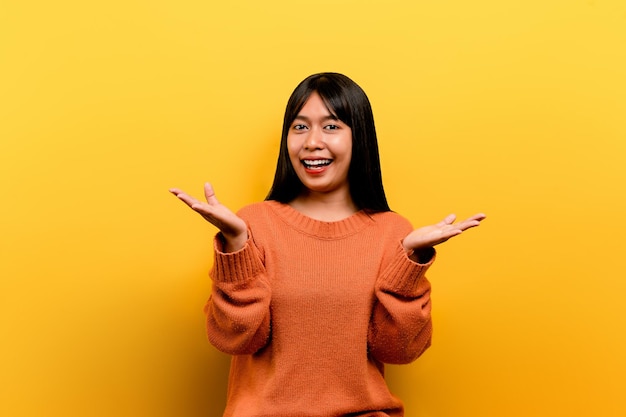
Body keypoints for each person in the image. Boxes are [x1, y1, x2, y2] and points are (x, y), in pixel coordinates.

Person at [170, 72, 486, 417]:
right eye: (300, 127)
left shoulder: (393, 231)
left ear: (359, 138)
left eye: (331, 127)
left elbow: (400, 351)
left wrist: (410, 262)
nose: (312, 142)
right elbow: (235, 339)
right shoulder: (253, 224)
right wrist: (236, 245)